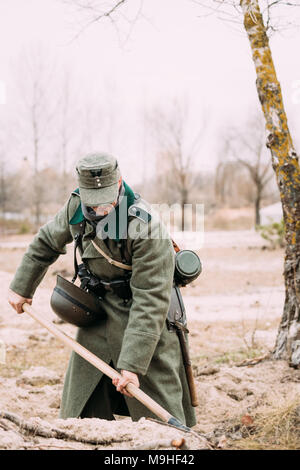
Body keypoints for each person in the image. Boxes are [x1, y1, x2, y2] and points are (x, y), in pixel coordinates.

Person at [8, 152, 196, 427]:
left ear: (119, 185)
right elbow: (46, 242)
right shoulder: (75, 206)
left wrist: (132, 366)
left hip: (145, 316)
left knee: (160, 423)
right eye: (92, 205)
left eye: (106, 203)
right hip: (100, 310)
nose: (99, 211)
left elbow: (151, 300)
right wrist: (21, 287)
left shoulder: (146, 227)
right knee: (79, 410)